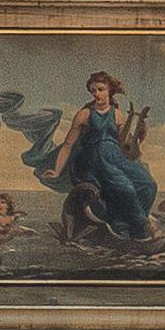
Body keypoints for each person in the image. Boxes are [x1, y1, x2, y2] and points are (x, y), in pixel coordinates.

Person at [41, 70, 155, 244]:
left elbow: (129, 145)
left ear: (109, 90)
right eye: (93, 91)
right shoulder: (84, 115)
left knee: (148, 185)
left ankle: (125, 224)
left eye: (100, 89)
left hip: (115, 157)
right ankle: (139, 230)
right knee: (125, 188)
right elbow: (67, 145)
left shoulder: (118, 115)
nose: (97, 94)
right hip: (93, 159)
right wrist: (57, 171)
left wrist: (142, 133)